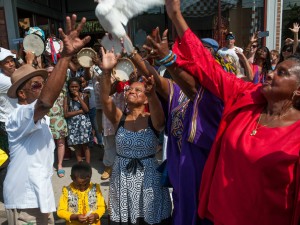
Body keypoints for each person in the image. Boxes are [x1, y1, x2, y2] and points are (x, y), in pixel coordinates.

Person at [158, 1, 300, 224]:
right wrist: (176, 16)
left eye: (282, 73)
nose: (271, 74)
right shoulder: (249, 96)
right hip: (220, 217)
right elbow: (209, 68)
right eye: (274, 69)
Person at [3, 14, 91, 224]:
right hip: (25, 202)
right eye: (35, 85)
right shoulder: (18, 115)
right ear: (21, 94)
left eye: (43, 83)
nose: (42, 88)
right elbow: (45, 102)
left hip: (38, 198)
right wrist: (65, 57)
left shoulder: (38, 119)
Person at [99, 48, 172, 225]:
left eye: (138, 90)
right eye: (130, 89)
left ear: (146, 98)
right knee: (127, 219)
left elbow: (161, 123)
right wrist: (107, 71)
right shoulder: (119, 119)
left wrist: (152, 93)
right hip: (122, 175)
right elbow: (104, 98)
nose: (131, 91)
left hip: (148, 176)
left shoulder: (151, 119)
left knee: (149, 217)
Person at [0, 48, 17, 202]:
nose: (11, 64)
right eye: (7, 62)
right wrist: (30, 61)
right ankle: (7, 195)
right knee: (11, 162)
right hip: (7, 125)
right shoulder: (2, 80)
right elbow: (26, 80)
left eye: (12, 60)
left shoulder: (11, 74)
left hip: (14, 123)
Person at [64, 77, 92, 163]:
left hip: (84, 124)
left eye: (76, 86)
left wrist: (79, 98)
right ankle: (80, 163)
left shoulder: (84, 95)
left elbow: (87, 110)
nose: (74, 88)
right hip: (73, 124)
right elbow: (66, 114)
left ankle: (87, 165)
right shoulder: (67, 98)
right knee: (76, 146)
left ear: (79, 87)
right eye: (72, 87)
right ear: (69, 87)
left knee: (85, 145)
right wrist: (80, 111)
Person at [47, 65, 68, 178]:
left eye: (52, 72)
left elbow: (65, 102)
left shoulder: (62, 85)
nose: (50, 74)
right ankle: (48, 165)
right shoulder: (41, 86)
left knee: (60, 143)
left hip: (59, 118)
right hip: (45, 119)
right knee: (46, 145)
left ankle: (59, 165)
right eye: (48, 72)